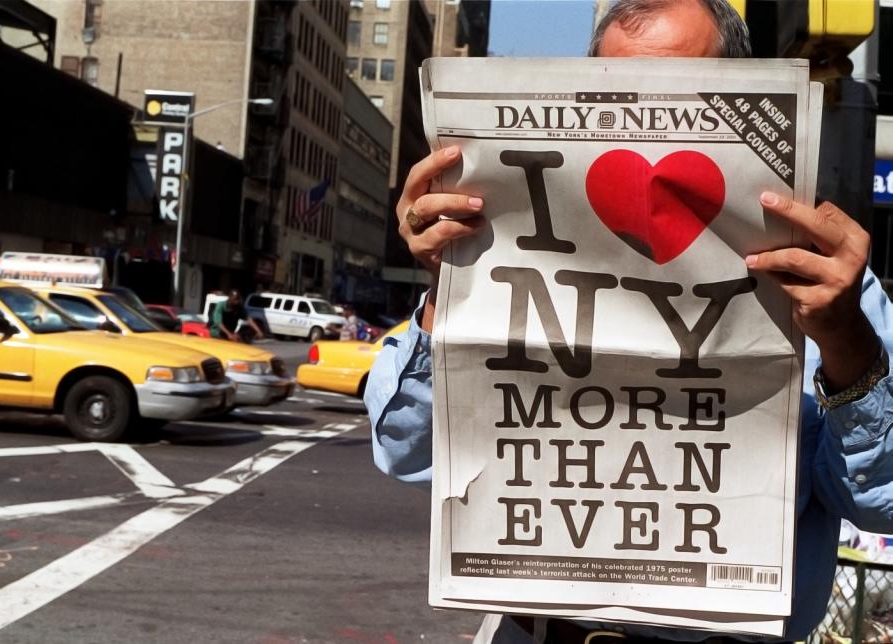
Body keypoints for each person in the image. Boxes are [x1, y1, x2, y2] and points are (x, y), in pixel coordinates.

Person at [364, 0, 893, 642]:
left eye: (681, 93)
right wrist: (448, 284)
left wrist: (844, 341)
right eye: (618, 91)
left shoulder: (821, 276)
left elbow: (878, 504)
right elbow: (408, 455)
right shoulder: (499, 235)